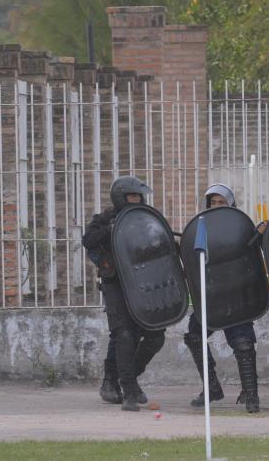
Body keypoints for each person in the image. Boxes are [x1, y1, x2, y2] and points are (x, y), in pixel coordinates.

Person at [83, 176, 167, 411]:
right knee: (124, 335)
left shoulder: (147, 218)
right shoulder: (105, 218)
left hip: (144, 282)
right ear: (120, 197)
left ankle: (122, 378)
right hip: (116, 284)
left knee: (155, 336)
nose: (136, 200)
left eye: (138, 196)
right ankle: (128, 390)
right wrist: (112, 229)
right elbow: (88, 240)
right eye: (132, 196)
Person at [182, 183, 261, 413]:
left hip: (238, 292)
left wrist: (262, 233)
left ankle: (251, 394)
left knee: (243, 342)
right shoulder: (200, 228)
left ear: (230, 204)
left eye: (221, 202)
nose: (216, 206)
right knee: (195, 335)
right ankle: (212, 387)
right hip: (212, 294)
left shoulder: (240, 227)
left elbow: (256, 251)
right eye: (213, 202)